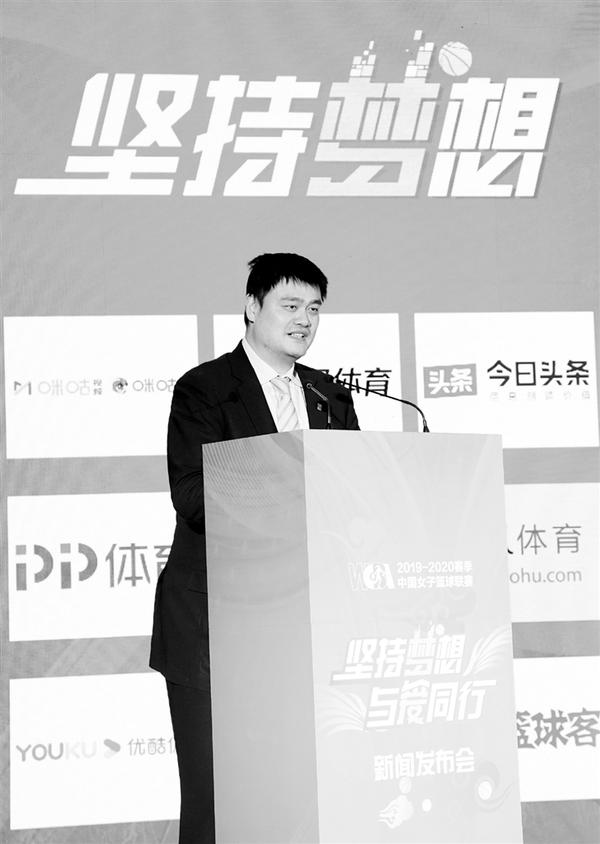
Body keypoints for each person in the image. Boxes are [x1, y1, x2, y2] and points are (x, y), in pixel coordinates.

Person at [150, 252, 360, 843]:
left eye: (314, 308)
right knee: (217, 803)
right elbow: (193, 496)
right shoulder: (205, 389)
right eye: (289, 305)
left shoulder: (329, 395)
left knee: (293, 801)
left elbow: (354, 493)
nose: (304, 320)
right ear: (251, 306)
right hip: (215, 628)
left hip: (300, 628)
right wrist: (292, 479)